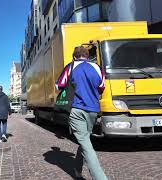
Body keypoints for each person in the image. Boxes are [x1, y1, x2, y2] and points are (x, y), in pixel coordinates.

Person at [56, 46, 107, 180]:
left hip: (76, 109)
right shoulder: (97, 67)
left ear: (74, 56)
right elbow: (101, 87)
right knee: (85, 140)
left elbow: (59, 86)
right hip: (93, 110)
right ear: (87, 56)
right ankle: (77, 170)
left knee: (85, 143)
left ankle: (100, 177)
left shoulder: (70, 67)